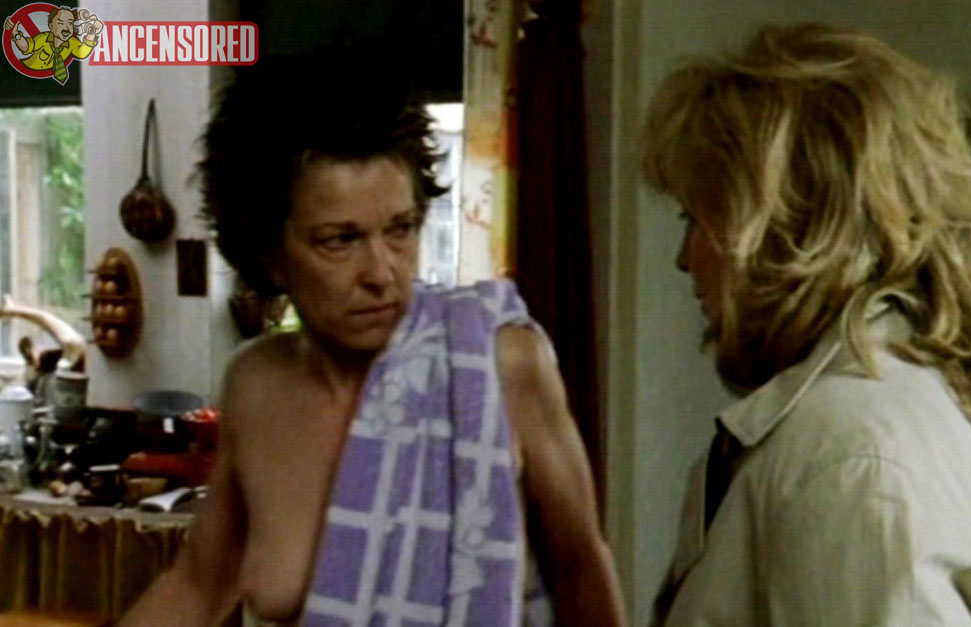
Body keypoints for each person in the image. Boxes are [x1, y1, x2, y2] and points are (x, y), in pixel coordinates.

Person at [119, 50, 625, 627]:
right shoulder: (256, 384)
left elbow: (581, 568)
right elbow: (197, 587)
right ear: (270, 253)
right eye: (341, 240)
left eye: (400, 230)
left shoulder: (495, 362)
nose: (382, 272)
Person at [641, 23, 971, 626]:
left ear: (782, 223)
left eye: (695, 220)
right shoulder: (856, 422)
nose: (684, 259)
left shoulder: (848, 449)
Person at [4, 7, 103, 85]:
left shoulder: (72, 42)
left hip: (52, 87)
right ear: (51, 26)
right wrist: (16, 35)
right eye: (60, 23)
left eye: (70, 23)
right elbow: (26, 47)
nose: (66, 28)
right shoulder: (43, 38)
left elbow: (82, 52)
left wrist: (93, 32)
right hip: (24, 77)